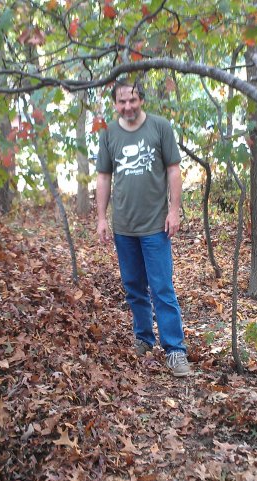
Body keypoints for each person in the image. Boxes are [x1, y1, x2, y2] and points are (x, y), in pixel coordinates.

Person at [95, 79, 191, 377]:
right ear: (115, 104)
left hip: (155, 226)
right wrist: (101, 217)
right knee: (134, 287)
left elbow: (173, 170)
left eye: (133, 100)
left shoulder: (160, 127)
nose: (128, 107)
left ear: (141, 100)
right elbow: (103, 177)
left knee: (162, 288)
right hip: (124, 226)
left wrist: (174, 211)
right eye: (122, 102)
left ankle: (175, 350)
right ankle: (144, 339)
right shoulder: (109, 133)